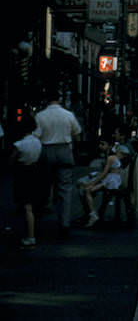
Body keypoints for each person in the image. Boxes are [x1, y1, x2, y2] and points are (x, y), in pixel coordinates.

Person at [35, 93, 82, 239]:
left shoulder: (40, 116)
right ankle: (64, 223)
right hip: (64, 150)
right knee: (65, 188)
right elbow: (77, 133)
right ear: (59, 100)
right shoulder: (68, 115)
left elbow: (36, 135)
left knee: (43, 185)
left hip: (46, 150)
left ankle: (37, 220)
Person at [11, 116, 43, 248]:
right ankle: (32, 232)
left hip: (23, 173)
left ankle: (30, 236)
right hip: (35, 171)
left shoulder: (19, 145)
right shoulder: (37, 142)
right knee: (32, 204)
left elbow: (11, 160)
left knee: (26, 205)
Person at [80, 137, 123, 228]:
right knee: (85, 187)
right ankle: (92, 214)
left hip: (111, 181)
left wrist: (93, 183)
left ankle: (92, 215)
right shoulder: (112, 156)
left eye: (103, 144)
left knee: (87, 190)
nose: (100, 146)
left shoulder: (110, 157)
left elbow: (104, 173)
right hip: (112, 179)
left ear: (109, 146)